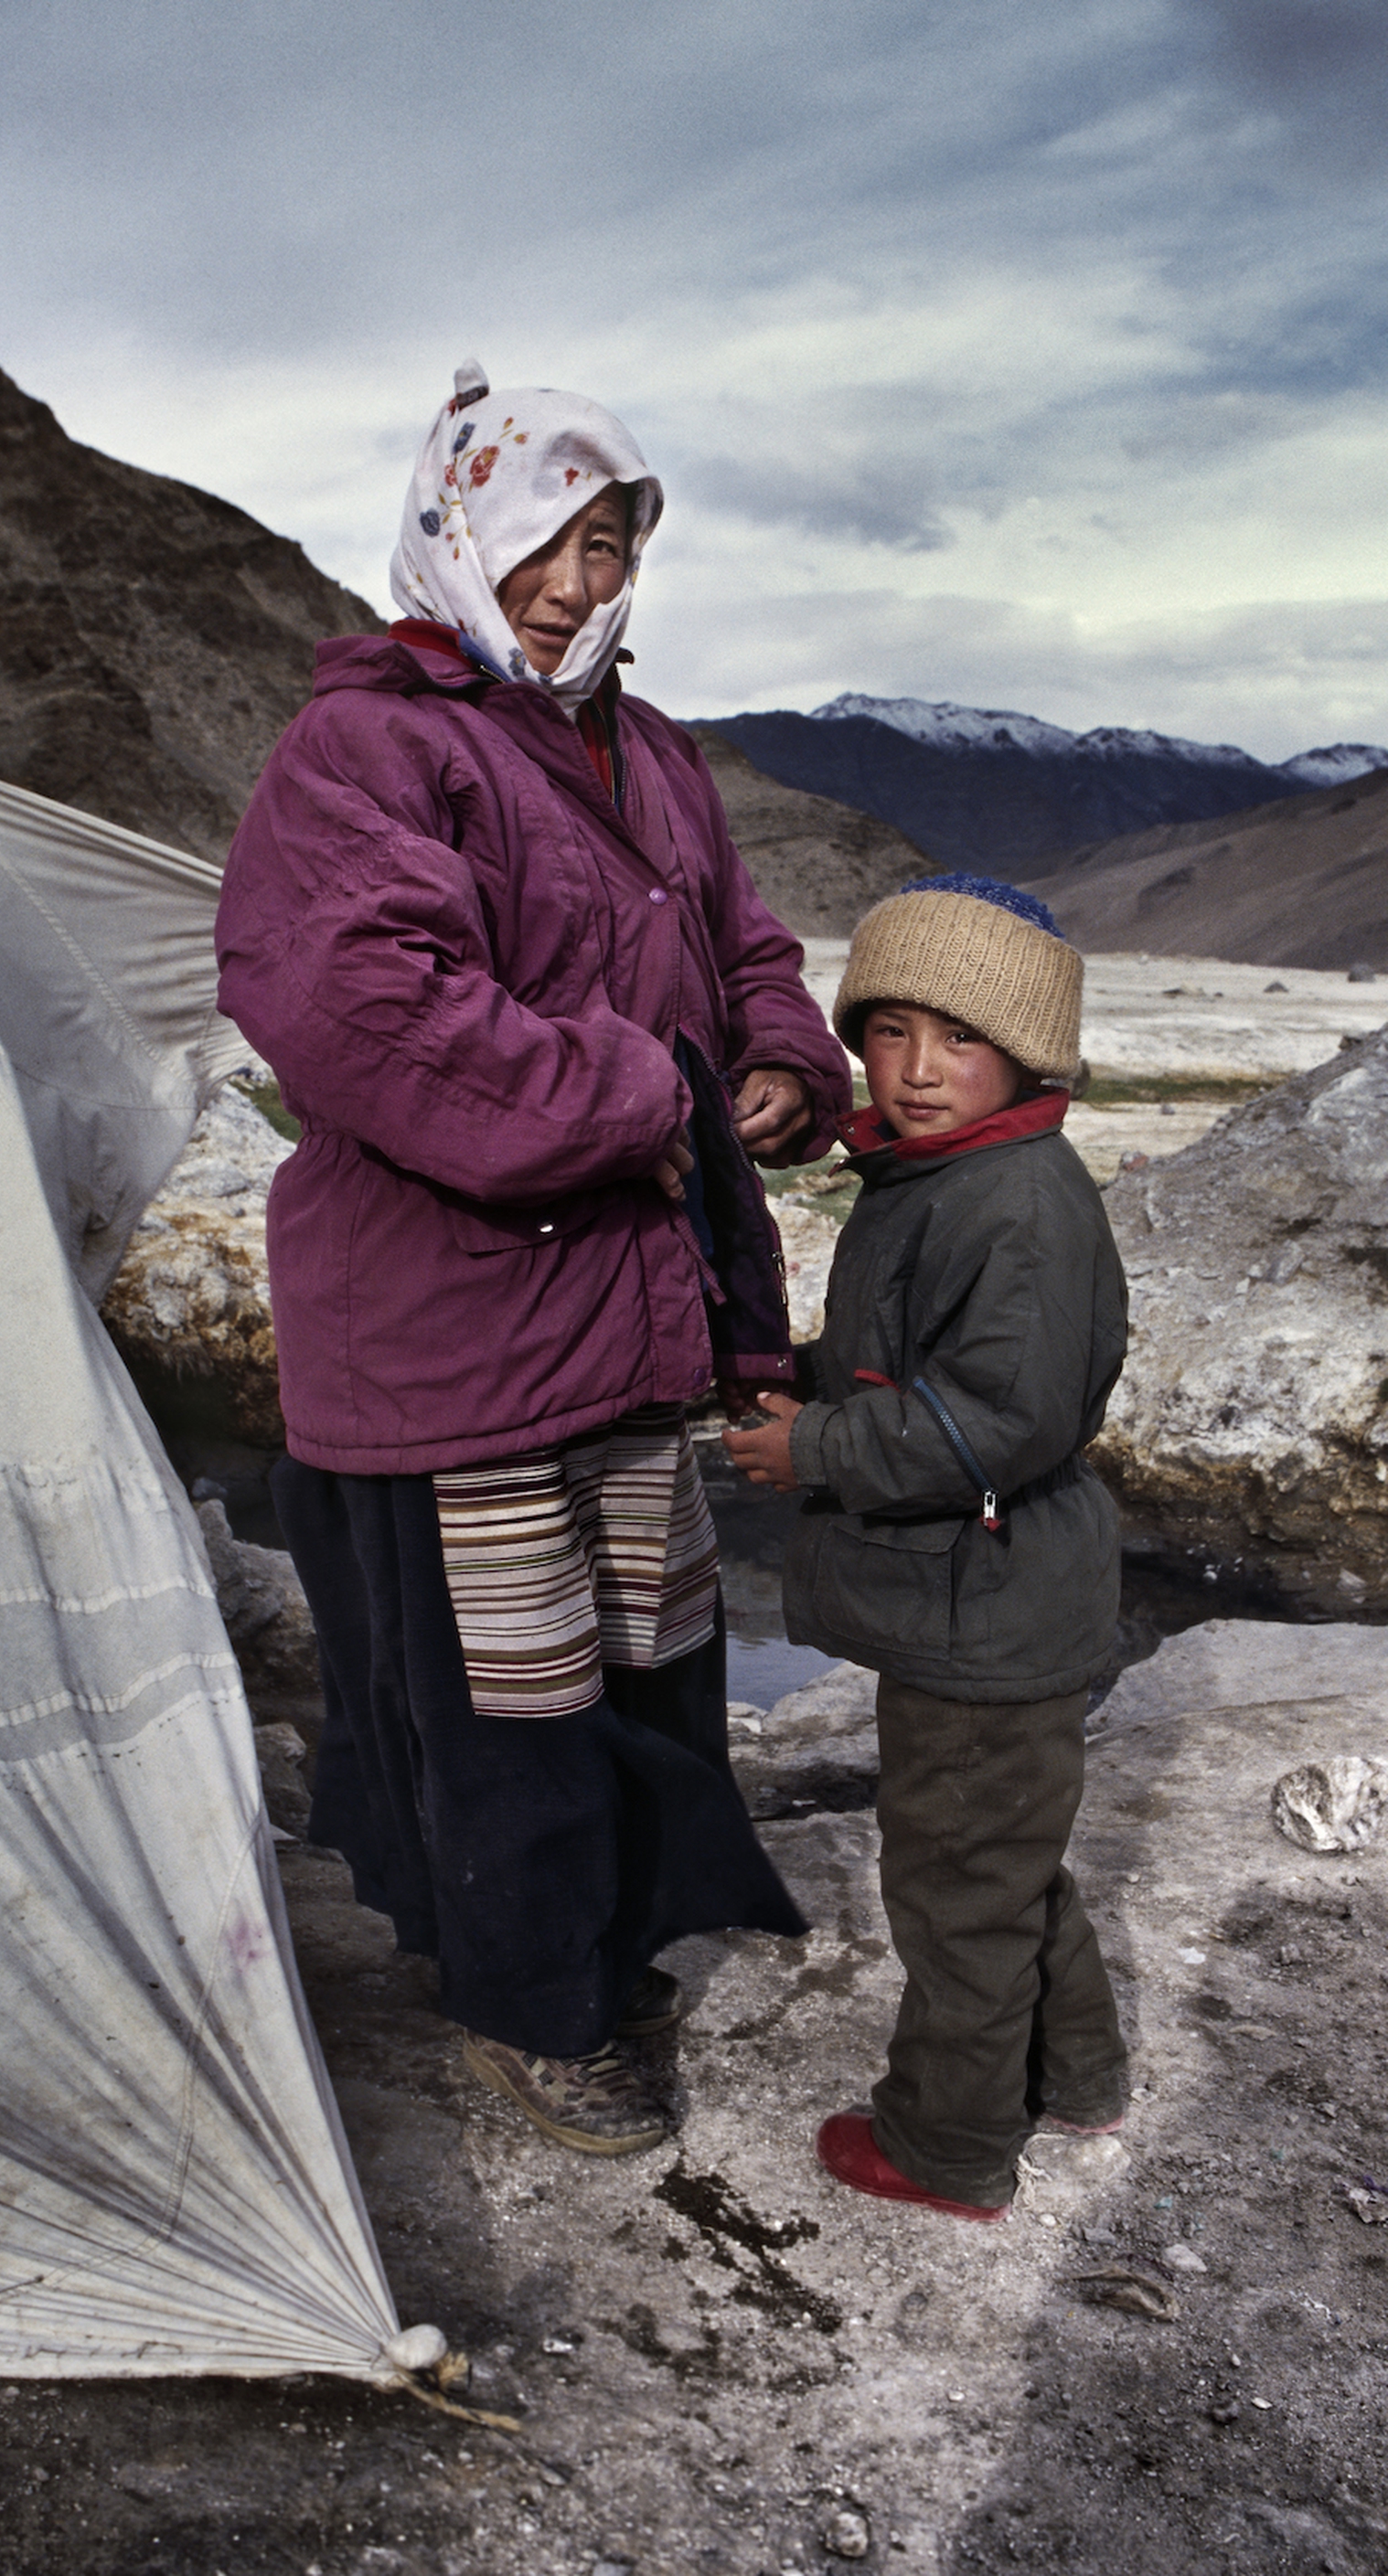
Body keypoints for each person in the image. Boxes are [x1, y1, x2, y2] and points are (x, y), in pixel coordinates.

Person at [215, 364, 850, 2155]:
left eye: (609, 543)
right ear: (459, 530)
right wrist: (645, 1084)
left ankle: (605, 1941)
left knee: (639, 1661)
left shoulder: (650, 756)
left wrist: (785, 1057)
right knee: (509, 1699)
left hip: (634, 1313)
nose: (579, 584)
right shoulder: (372, 748)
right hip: (454, 1329)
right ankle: (528, 2004)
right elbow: (360, 1007)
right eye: (547, 544)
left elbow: (742, 946)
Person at [723, 874, 1129, 2219]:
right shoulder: (950, 1176)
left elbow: (999, 1419)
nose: (915, 1069)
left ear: (1023, 1047)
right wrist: (815, 1376)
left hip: (985, 1605)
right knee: (1001, 1857)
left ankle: (948, 2144)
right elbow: (916, 1358)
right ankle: (1075, 2072)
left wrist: (818, 1450)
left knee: (960, 1885)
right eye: (888, 1031)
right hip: (986, 1604)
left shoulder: (1013, 1203)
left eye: (957, 1037)